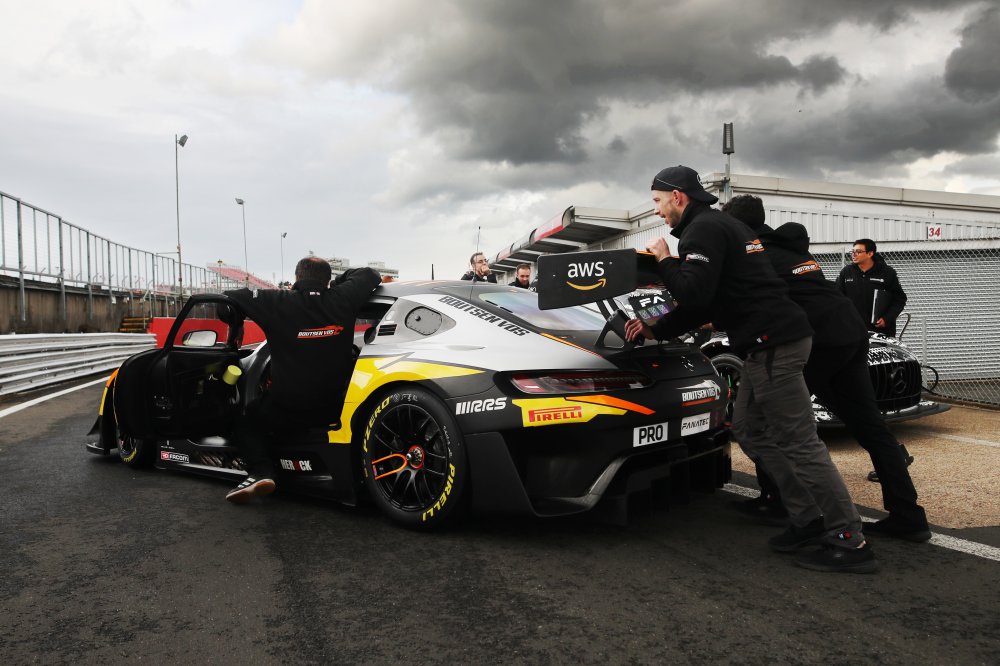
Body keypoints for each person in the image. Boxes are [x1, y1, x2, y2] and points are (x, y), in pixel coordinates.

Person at [624, 165, 874, 573]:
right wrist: (657, 329)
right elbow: (706, 302)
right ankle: (807, 519)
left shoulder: (702, 229)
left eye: (657, 201)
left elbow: (693, 293)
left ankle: (849, 537)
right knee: (749, 429)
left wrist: (665, 260)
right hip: (768, 344)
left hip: (775, 344)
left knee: (799, 442)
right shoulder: (720, 225)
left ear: (678, 197)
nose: (656, 210)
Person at [723, 195, 930, 542]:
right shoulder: (791, 250)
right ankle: (909, 516)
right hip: (851, 333)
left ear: (736, 226)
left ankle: (783, 504)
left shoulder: (755, 256)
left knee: (769, 424)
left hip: (815, 341)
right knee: (870, 427)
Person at [222, 257, 381, 503]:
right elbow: (370, 274)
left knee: (244, 420)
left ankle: (261, 472)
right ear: (327, 279)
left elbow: (227, 301)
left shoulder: (276, 301)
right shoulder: (343, 297)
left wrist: (237, 324)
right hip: (335, 408)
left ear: (296, 278)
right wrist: (338, 284)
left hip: (287, 409)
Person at [836, 239, 908, 337]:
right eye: (852, 251)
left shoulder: (886, 272)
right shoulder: (846, 272)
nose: (853, 254)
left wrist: (887, 319)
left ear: (870, 253)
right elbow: (837, 298)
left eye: (858, 251)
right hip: (853, 331)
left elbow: (899, 299)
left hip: (880, 332)